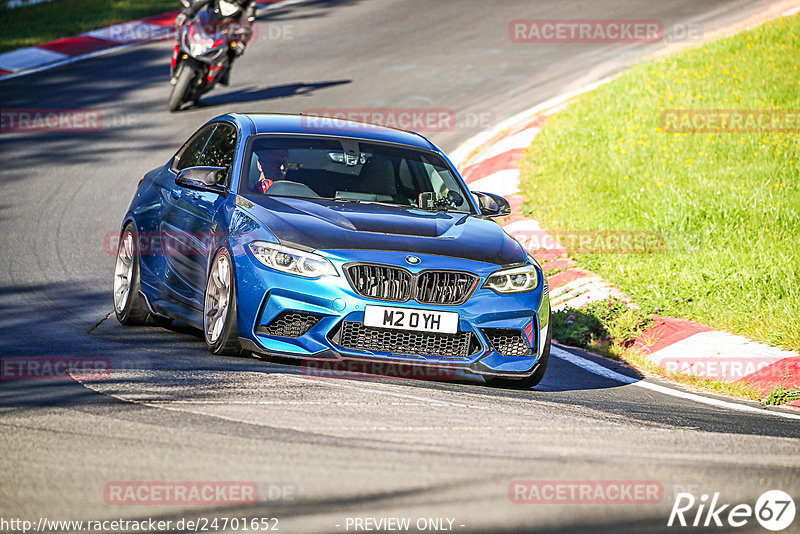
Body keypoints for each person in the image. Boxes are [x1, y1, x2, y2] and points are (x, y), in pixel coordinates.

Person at [174, 0, 257, 85]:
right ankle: (177, 65)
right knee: (184, 31)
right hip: (208, 22)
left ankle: (225, 71)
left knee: (235, 48)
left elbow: (248, 25)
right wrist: (186, 14)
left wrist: (242, 42)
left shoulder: (250, 4)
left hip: (229, 29)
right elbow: (200, 3)